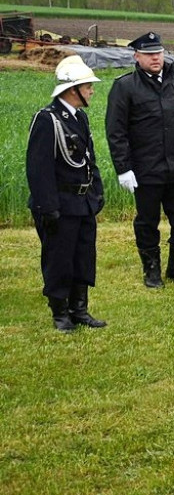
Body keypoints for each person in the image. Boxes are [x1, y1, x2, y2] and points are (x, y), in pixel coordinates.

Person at [106, 32, 174, 288]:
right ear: (136, 56)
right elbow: (116, 131)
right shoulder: (125, 86)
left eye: (158, 53)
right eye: (149, 54)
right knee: (147, 222)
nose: (155, 58)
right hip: (145, 170)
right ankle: (151, 270)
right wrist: (123, 168)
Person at [27, 56, 106, 331]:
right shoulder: (47, 119)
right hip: (60, 202)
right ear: (73, 90)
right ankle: (60, 313)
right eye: (88, 87)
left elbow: (88, 159)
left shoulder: (79, 117)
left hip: (82, 202)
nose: (92, 91)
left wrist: (96, 192)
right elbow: (39, 168)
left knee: (84, 256)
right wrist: (47, 207)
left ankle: (79, 309)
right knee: (59, 259)